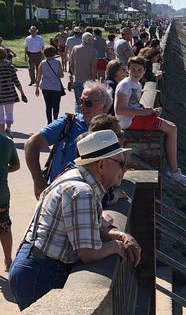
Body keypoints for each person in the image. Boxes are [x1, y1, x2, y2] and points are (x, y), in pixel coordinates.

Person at [9, 130, 141, 310]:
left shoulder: (77, 179)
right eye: (121, 163)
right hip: (40, 272)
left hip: (36, 267)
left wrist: (118, 235)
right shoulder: (81, 191)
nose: (125, 169)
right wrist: (116, 247)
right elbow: (87, 253)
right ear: (102, 165)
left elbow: (83, 227)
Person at [25, 81, 112, 198]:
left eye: (88, 103)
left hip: (88, 198)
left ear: (104, 105)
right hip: (57, 195)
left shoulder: (111, 130)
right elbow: (31, 144)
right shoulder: (68, 122)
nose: (82, 106)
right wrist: (38, 181)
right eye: (81, 101)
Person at [114, 56, 186, 186]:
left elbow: (134, 105)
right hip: (128, 122)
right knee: (172, 129)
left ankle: (173, 169)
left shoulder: (137, 84)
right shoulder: (125, 85)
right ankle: (174, 171)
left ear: (144, 72)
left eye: (139, 70)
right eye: (133, 70)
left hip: (135, 118)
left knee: (171, 126)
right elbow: (119, 110)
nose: (136, 73)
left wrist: (150, 110)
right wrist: (142, 112)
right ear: (128, 70)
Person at [0, 131, 19, 271]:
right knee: (4, 227)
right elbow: (15, 165)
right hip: (1, 194)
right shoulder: (7, 142)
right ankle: (8, 259)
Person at [0, 48, 28, 136]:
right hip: (10, 93)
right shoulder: (10, 66)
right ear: (5, 55)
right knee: (9, 113)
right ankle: (8, 128)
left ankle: (2, 134)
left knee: (0, 115)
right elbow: (16, 81)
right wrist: (22, 93)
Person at [35, 46, 64, 124]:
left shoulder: (42, 63)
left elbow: (38, 77)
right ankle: (55, 121)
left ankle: (49, 122)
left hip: (45, 86)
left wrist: (37, 88)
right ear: (54, 54)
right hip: (55, 86)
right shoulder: (57, 62)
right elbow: (61, 75)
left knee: (48, 106)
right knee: (56, 105)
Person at [69, 32, 98, 111]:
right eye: (92, 40)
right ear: (88, 40)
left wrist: (74, 73)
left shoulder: (75, 48)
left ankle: (77, 119)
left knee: (78, 102)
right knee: (88, 103)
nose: (93, 41)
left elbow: (71, 63)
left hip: (77, 79)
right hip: (88, 80)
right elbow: (93, 66)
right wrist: (93, 80)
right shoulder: (93, 51)